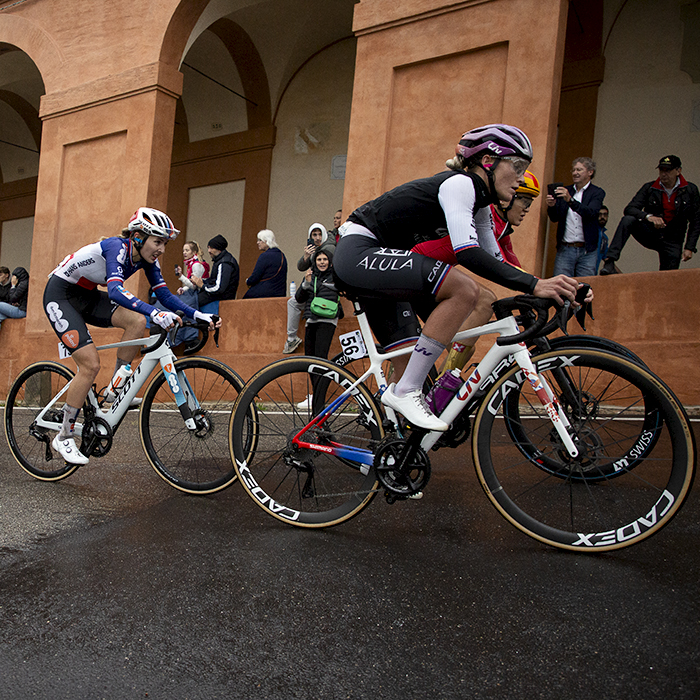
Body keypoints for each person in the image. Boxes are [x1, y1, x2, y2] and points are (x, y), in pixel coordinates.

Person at [334, 124, 582, 431]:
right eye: (517, 167)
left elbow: (494, 259)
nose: (520, 179)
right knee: (465, 290)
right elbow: (467, 252)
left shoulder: (480, 204)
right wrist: (535, 284)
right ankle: (404, 391)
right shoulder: (460, 184)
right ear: (488, 162)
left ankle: (394, 449)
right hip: (358, 251)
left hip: (382, 268)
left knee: (410, 361)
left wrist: (551, 285)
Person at [43, 207, 220, 466]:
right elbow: (115, 291)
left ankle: (115, 389)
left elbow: (166, 296)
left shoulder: (147, 260)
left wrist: (199, 315)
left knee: (137, 322)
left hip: (88, 295)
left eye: (164, 243)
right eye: (157, 241)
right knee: (90, 364)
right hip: (60, 295)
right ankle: (65, 435)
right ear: (138, 237)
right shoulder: (116, 247)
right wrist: (156, 314)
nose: (161, 249)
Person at [412, 170, 542, 373]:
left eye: (530, 203)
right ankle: (444, 391)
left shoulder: (502, 227)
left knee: (465, 347)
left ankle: (440, 394)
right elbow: (497, 264)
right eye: (524, 201)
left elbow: (511, 264)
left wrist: (541, 286)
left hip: (432, 273)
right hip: (416, 267)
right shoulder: (486, 218)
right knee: (484, 302)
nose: (527, 209)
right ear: (506, 200)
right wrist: (538, 286)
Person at [600, 155, 700, 274]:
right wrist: (648, 217)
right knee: (628, 220)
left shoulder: (690, 190)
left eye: (668, 170)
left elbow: (696, 220)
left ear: (678, 171)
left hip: (673, 239)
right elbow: (630, 208)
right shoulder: (650, 188)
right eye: (661, 170)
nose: (664, 174)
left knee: (667, 278)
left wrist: (689, 247)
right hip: (652, 233)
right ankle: (610, 261)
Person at [293, 249, 342, 408]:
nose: (322, 262)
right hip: (311, 320)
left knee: (321, 359)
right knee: (310, 360)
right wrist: (306, 283)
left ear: (330, 261)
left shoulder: (335, 276)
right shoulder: (310, 276)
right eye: (319, 259)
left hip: (328, 320)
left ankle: (319, 400)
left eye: (325, 259)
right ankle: (317, 397)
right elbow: (298, 298)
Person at [547, 157, 606, 277]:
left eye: (579, 169)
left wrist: (570, 201)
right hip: (565, 249)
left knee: (585, 286)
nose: (575, 173)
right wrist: (552, 206)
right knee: (560, 285)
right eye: (573, 170)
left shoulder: (597, 192)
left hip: (587, 251)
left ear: (590, 172)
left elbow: (591, 213)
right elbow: (554, 218)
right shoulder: (566, 191)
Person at [283, 223, 336, 354]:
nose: (317, 238)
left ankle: (291, 338)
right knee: (311, 356)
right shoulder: (313, 250)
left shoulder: (329, 247)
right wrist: (306, 256)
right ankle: (291, 338)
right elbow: (301, 266)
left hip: (325, 309)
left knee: (320, 355)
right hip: (312, 307)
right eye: (314, 235)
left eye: (319, 234)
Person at [190, 234, 240, 306]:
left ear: (219, 249)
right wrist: (200, 281)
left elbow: (219, 288)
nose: (209, 251)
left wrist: (202, 285)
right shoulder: (220, 260)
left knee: (189, 303)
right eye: (208, 248)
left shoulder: (225, 263)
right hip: (214, 294)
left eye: (212, 248)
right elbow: (213, 280)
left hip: (220, 297)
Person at [243, 229, 288, 298]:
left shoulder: (265, 256)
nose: (257, 243)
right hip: (280, 294)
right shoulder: (282, 255)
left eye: (260, 240)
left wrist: (248, 281)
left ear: (266, 241)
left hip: (264, 293)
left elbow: (255, 276)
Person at [595, 206, 610, 274]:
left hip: (593, 273)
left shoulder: (604, 238)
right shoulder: (590, 233)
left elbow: (607, 258)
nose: (602, 217)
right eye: (600, 214)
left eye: (605, 215)